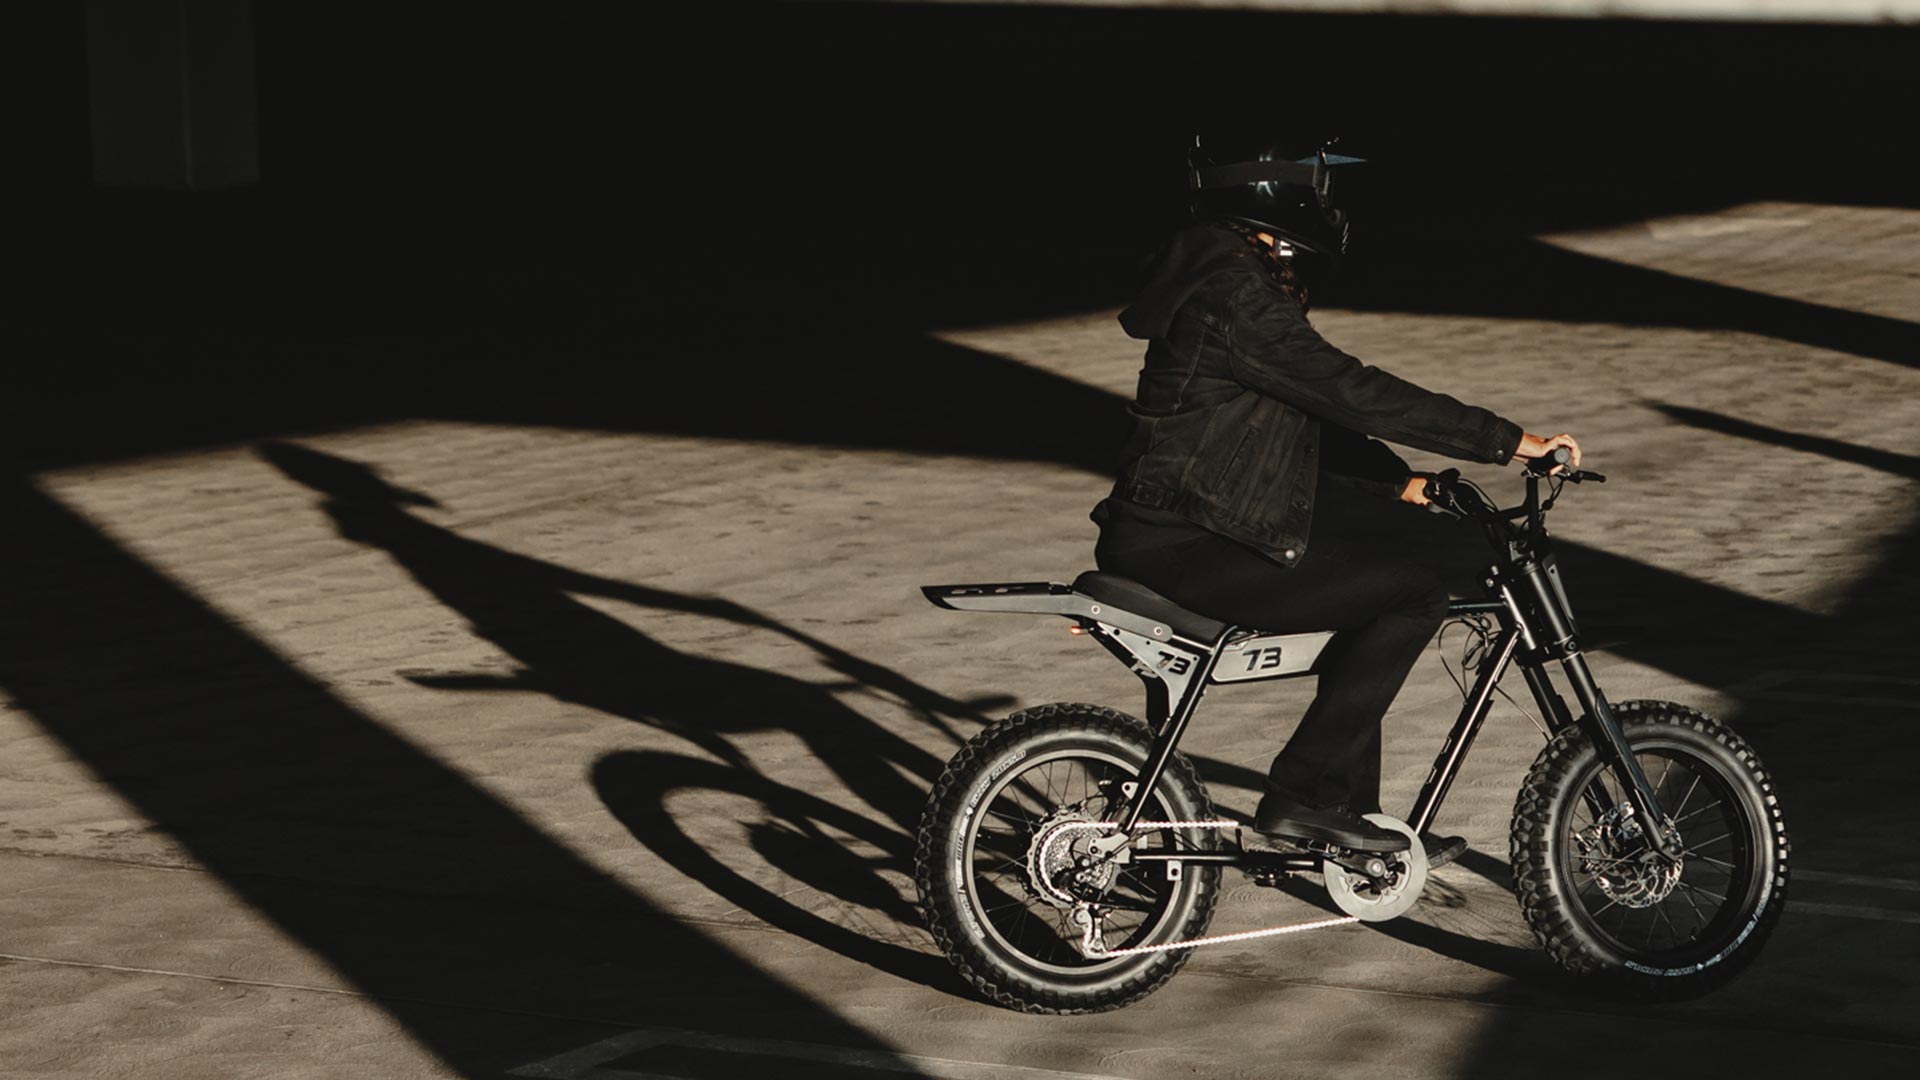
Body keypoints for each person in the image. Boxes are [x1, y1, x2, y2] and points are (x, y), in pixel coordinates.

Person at [1092, 140, 1581, 861]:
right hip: (1189, 538)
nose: (1327, 205)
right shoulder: (1234, 295)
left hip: (1180, 525)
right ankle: (1302, 796)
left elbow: (1291, 414)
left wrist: (1395, 482)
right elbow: (1348, 388)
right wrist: (1508, 441)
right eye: (1316, 188)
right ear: (1273, 196)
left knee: (1370, 583)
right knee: (1411, 596)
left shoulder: (1219, 278)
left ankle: (1351, 822)